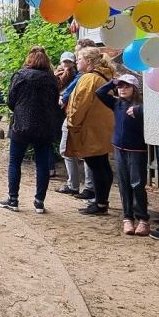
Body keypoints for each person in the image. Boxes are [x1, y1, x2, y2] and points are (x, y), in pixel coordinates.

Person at [0, 48, 60, 214]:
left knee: (15, 162)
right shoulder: (52, 79)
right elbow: (55, 102)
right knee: (42, 164)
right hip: (45, 126)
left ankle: (13, 200)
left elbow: (11, 101)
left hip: (22, 125)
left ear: (29, 60)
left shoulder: (20, 75)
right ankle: (39, 202)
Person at [95, 74, 148, 236]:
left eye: (126, 86)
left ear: (134, 88)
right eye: (120, 86)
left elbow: (155, 110)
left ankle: (143, 219)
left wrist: (139, 111)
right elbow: (100, 93)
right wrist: (113, 81)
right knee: (124, 184)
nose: (122, 89)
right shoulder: (117, 103)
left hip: (137, 149)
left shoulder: (141, 105)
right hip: (119, 148)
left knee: (137, 184)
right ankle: (127, 218)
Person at [66, 46, 116, 216]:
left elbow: (79, 103)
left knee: (96, 166)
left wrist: (73, 124)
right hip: (103, 127)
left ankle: (100, 203)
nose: (76, 62)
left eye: (78, 59)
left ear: (88, 61)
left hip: (91, 128)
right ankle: (101, 201)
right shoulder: (105, 75)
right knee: (102, 164)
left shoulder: (89, 78)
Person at [57, 41, 97, 199]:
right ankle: (80, 185)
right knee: (72, 150)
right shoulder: (80, 74)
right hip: (75, 114)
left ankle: (85, 187)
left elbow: (73, 90)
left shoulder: (86, 76)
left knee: (78, 151)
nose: (76, 59)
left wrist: (64, 97)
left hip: (78, 116)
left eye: (78, 55)